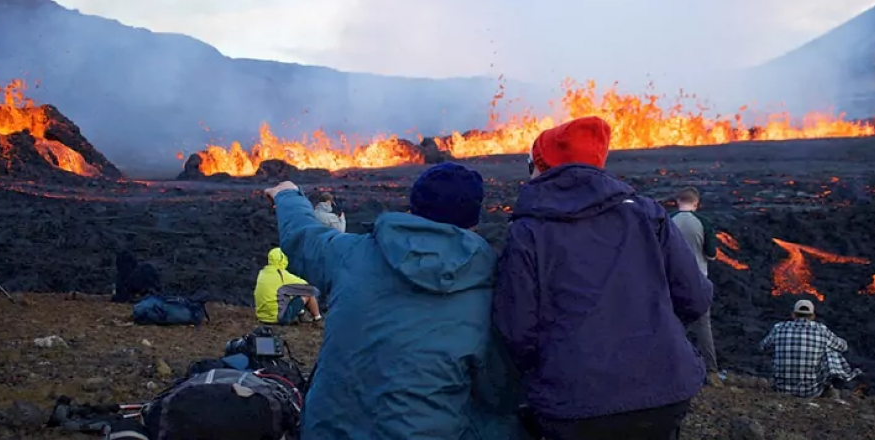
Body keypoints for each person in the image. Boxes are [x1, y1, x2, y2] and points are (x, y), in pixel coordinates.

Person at [264, 162, 530, 440]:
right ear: (473, 221)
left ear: (412, 208)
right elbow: (498, 394)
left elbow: (303, 238)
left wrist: (287, 195)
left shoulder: (351, 254)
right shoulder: (489, 286)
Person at [494, 116, 714, 440]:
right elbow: (695, 298)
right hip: (663, 393)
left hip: (574, 405)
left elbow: (517, 329)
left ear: (543, 167)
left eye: (531, 166)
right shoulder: (648, 214)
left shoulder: (528, 231)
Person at [670, 186, 723, 387]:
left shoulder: (667, 220)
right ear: (696, 203)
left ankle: (672, 368)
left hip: (672, 281)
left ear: (677, 201)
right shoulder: (703, 222)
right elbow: (711, 254)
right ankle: (712, 372)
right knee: (703, 326)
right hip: (698, 281)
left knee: (671, 324)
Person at [760, 299, 862, 399]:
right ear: (813, 316)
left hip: (781, 389)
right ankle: (839, 382)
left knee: (778, 349)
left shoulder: (779, 328)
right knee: (830, 351)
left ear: (793, 315)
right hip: (811, 392)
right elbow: (843, 347)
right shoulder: (821, 330)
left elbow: (763, 346)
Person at [253, 247, 322, 325]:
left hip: (262, 317)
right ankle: (318, 319)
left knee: (287, 292)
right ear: (282, 259)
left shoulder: (262, 273)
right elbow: (308, 288)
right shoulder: (282, 275)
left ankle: (301, 314)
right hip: (277, 318)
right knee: (307, 293)